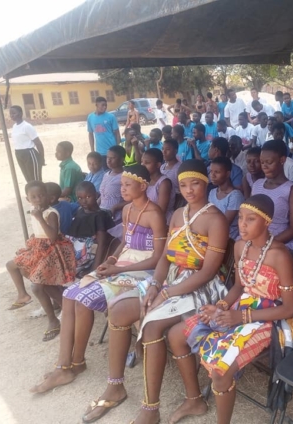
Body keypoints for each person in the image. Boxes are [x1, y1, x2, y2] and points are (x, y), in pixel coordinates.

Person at [81, 159, 229, 424]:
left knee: (150, 326)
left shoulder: (216, 219)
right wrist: (154, 286)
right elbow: (166, 258)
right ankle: (115, 386)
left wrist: (167, 294)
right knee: (118, 311)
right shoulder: (178, 214)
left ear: (205, 183)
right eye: (183, 184)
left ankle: (151, 409)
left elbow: (207, 272)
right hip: (171, 281)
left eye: (195, 183)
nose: (189, 190)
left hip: (201, 289)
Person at [31, 166, 167, 394]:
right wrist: (110, 260)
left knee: (84, 299)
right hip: (121, 265)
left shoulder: (155, 214)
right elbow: (125, 242)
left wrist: (118, 269)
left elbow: (158, 258)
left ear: (143, 186)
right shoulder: (128, 209)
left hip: (143, 272)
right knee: (70, 294)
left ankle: (76, 363)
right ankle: (65, 365)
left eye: (127, 185)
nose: (122, 189)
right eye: (121, 184)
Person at [171, 194, 293, 424]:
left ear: (266, 222)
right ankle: (194, 399)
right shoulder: (240, 246)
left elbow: (289, 308)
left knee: (220, 373)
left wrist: (242, 316)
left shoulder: (279, 255)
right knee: (176, 335)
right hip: (239, 307)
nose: (242, 224)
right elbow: (239, 287)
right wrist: (220, 306)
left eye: (251, 219)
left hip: (268, 317)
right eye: (240, 217)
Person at [6, 181, 75, 340]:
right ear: (28, 199)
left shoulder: (50, 213)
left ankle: (53, 320)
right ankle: (23, 295)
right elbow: (39, 231)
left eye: (41, 195)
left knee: (37, 286)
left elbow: (52, 236)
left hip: (51, 252)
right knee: (13, 266)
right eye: (34, 197)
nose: (38, 199)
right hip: (38, 248)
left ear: (48, 196)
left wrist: (39, 219)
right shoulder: (34, 210)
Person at [251, 140, 293, 249]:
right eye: (262, 162)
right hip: (254, 237)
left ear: (282, 160)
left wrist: (267, 243)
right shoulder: (257, 185)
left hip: (279, 241)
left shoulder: (291, 190)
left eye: (269, 162)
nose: (264, 166)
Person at [208, 157, 245, 239]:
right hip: (213, 233)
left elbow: (225, 223)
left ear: (227, 174)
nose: (212, 175)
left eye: (217, 172)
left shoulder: (235, 196)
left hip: (230, 238)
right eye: (211, 171)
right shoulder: (212, 192)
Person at [9, 105, 45, 182]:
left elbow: (38, 143)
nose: (12, 115)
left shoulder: (27, 126)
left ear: (20, 113)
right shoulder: (14, 126)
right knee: (28, 179)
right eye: (10, 113)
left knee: (36, 179)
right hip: (19, 153)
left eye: (14, 113)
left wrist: (42, 158)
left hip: (29, 154)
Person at [100, 145, 127, 234]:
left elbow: (132, 200)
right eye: (108, 157)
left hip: (115, 218)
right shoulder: (106, 174)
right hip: (101, 214)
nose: (108, 160)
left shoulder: (125, 176)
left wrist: (115, 207)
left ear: (122, 159)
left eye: (113, 158)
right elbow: (103, 194)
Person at [142, 148, 175, 224]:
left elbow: (161, 211)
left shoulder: (164, 183)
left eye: (147, 163)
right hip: (145, 217)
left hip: (160, 221)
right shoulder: (145, 180)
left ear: (158, 165)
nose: (143, 165)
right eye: (142, 162)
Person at [88, 97, 121, 170]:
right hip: (100, 152)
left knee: (113, 171)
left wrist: (118, 148)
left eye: (106, 105)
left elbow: (117, 133)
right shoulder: (90, 117)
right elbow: (90, 134)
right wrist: (92, 150)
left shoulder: (111, 117)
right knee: (103, 172)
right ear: (96, 104)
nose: (105, 107)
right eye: (102, 105)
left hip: (112, 151)